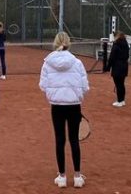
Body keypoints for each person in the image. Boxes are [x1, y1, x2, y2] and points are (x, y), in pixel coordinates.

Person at [39, 32, 89, 189]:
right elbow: (85, 86)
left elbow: (42, 85)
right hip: (74, 106)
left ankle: (61, 177)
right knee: (74, 140)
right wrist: (76, 97)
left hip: (57, 106)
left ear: (55, 43)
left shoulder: (48, 62)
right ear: (68, 43)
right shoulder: (77, 62)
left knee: (59, 140)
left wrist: (53, 94)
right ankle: (77, 177)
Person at [108, 31, 130, 107]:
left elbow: (112, 57)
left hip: (117, 66)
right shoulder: (126, 44)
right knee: (122, 84)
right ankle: (122, 100)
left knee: (118, 84)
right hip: (124, 66)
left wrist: (108, 66)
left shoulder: (116, 44)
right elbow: (127, 56)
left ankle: (119, 101)